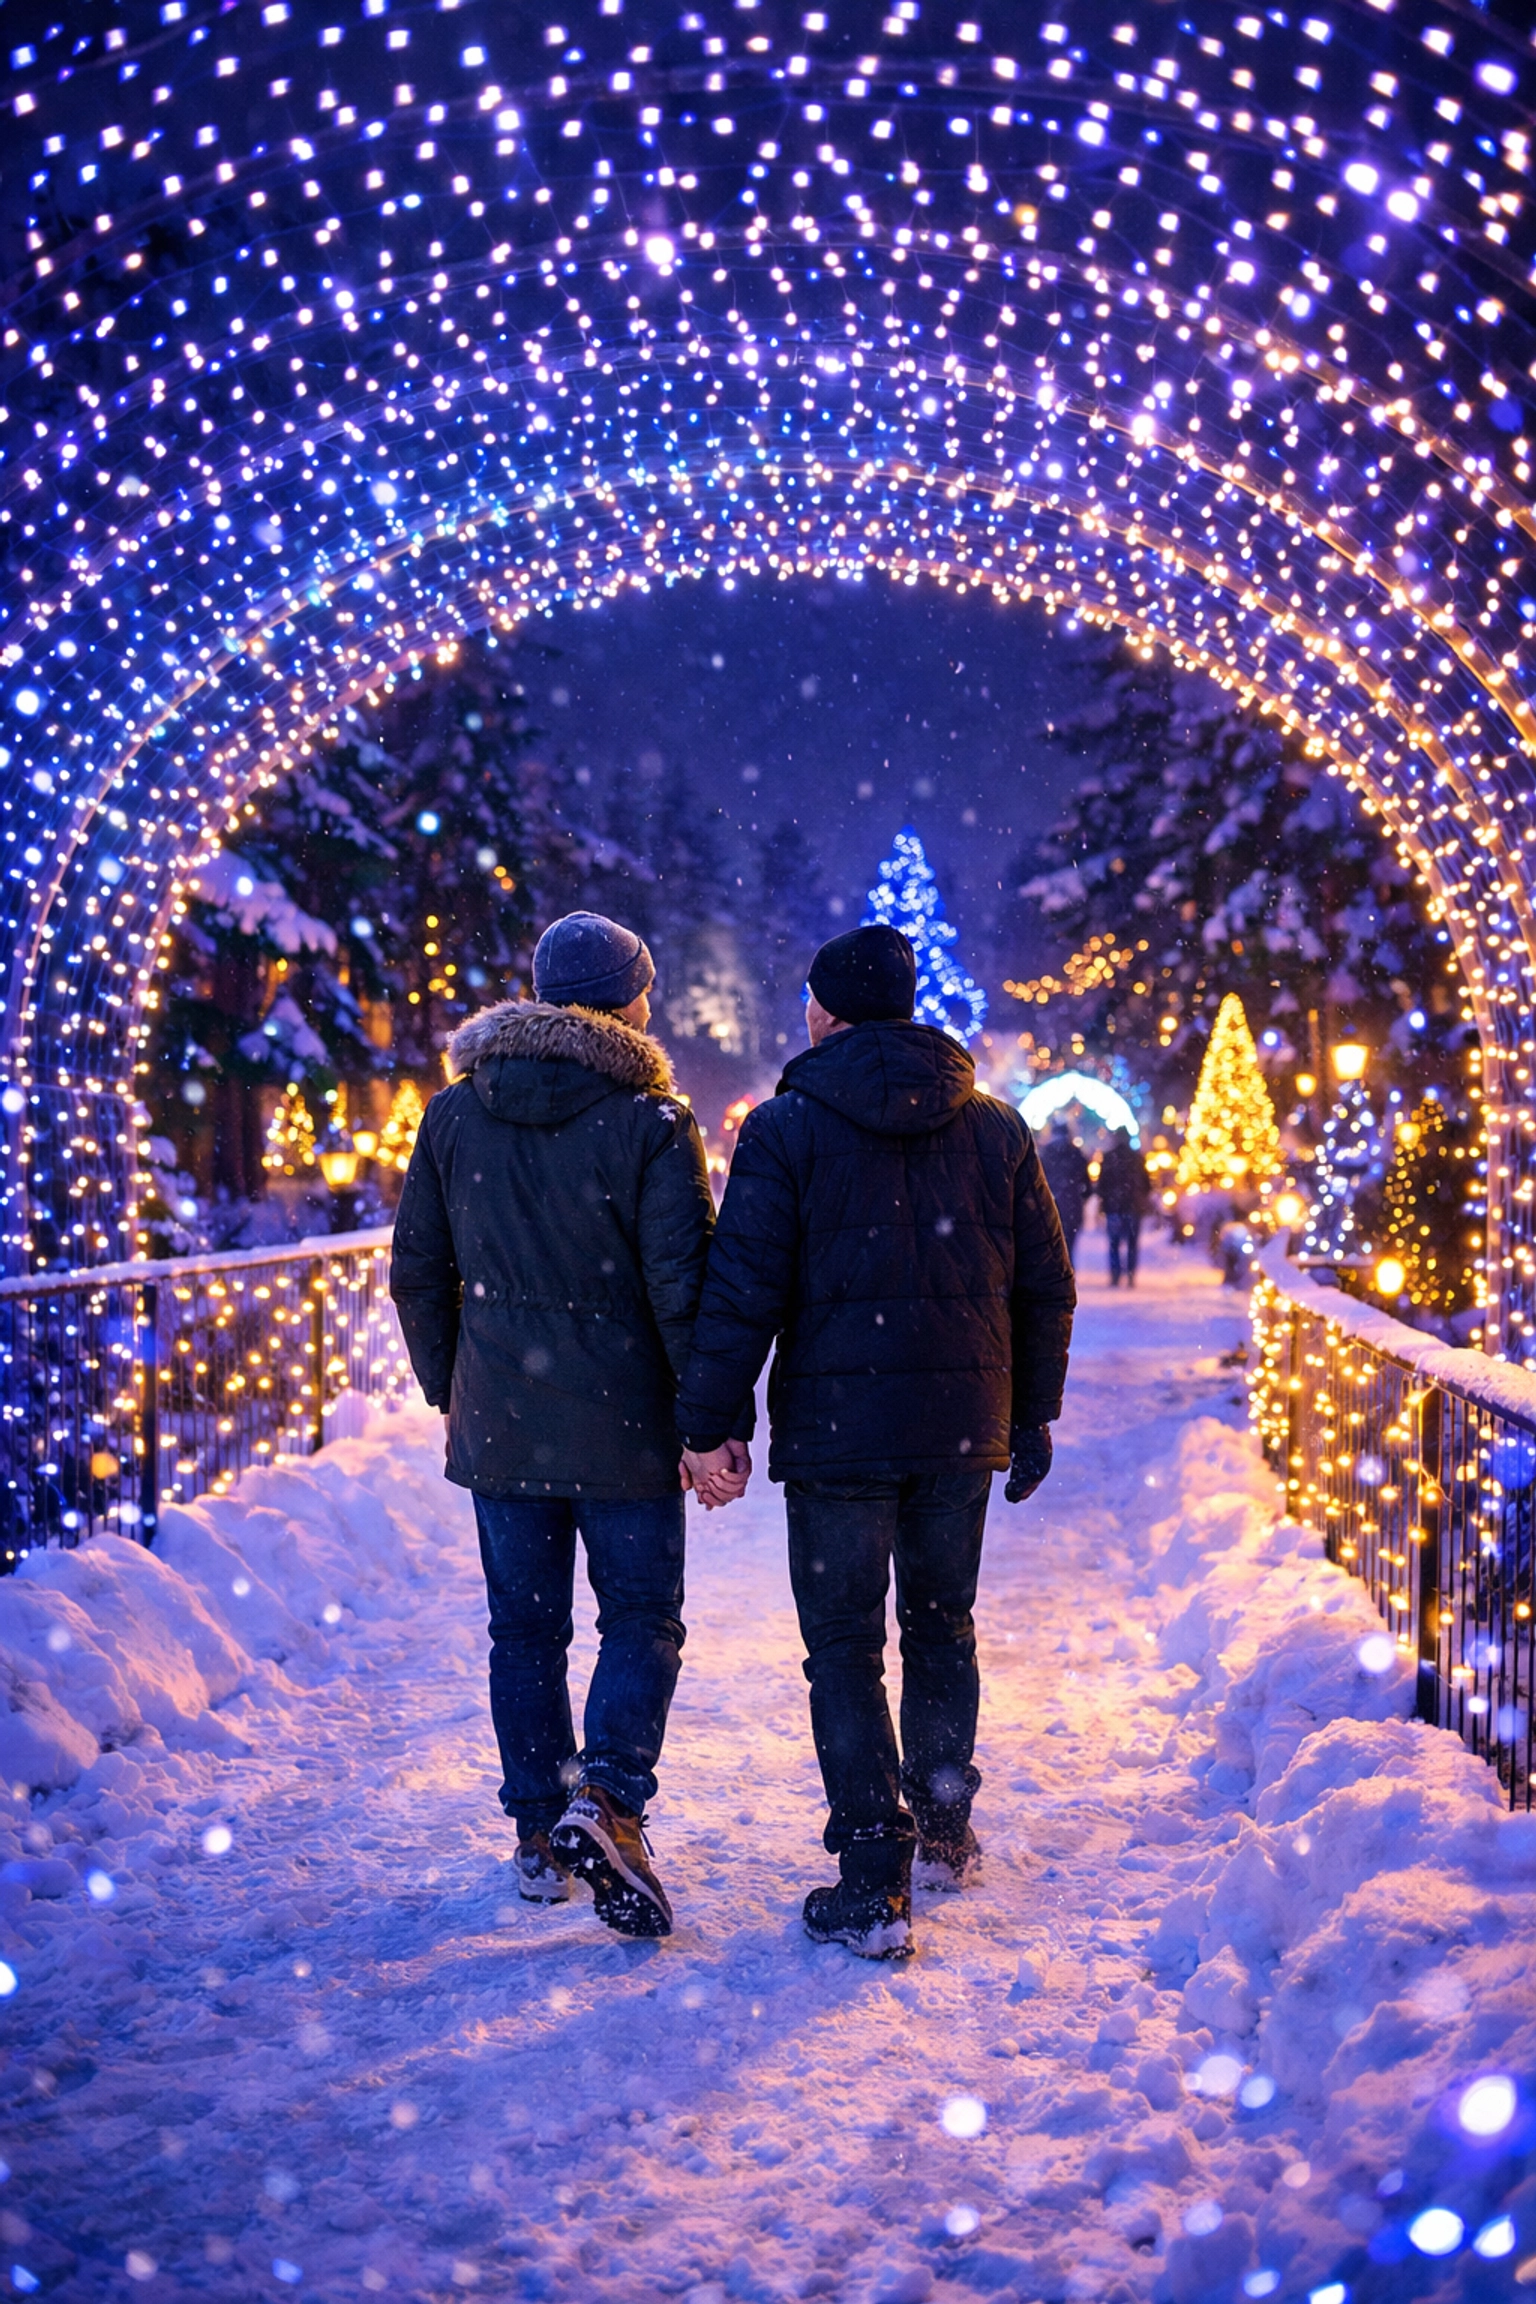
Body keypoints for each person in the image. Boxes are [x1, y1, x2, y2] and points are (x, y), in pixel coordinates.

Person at [674, 924, 1076, 1961]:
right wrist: (1031, 1412)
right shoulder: (994, 1129)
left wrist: (712, 1422)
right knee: (944, 1626)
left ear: (828, 1011)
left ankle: (871, 1870)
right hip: (957, 1433)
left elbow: (741, 1291)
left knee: (845, 1650)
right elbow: (1044, 1285)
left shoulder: (787, 1130)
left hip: (839, 1440)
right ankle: (942, 1822)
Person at [390, 910, 746, 1941]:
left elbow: (418, 1268)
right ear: (628, 1000)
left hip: (501, 1419)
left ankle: (540, 1836)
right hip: (624, 1426)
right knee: (639, 1618)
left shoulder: (456, 1114)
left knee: (524, 1630)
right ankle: (614, 1798)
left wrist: (449, 1383)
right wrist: (707, 1420)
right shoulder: (651, 1123)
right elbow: (682, 1285)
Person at [1097, 1128, 1153, 1289]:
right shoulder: (1137, 1159)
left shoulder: (1108, 1158)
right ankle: (1130, 1275)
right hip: (1133, 1207)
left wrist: (1106, 1199)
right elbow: (1147, 1184)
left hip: (1114, 1207)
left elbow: (1102, 1185)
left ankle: (1115, 1275)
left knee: (1114, 1243)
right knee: (1132, 1243)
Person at [1040, 1119, 1091, 1265]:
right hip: (1072, 1206)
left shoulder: (1045, 1154)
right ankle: (1067, 1273)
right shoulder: (1076, 1153)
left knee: (1051, 1246)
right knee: (1068, 1245)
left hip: (1049, 1205)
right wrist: (1082, 1197)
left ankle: (1055, 1275)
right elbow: (1086, 1184)